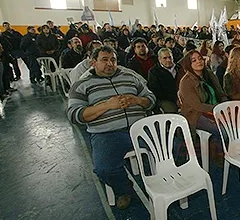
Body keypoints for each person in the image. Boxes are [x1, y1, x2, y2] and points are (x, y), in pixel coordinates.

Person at [67, 45, 156, 209]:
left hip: (140, 129)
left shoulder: (130, 77)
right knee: (104, 169)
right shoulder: (82, 85)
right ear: (93, 63)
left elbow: (151, 98)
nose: (110, 64)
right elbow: (74, 115)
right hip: (107, 134)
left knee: (173, 147)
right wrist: (107, 105)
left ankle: (165, 183)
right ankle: (123, 189)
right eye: (104, 60)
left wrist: (137, 100)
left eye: (113, 60)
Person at [178, 50, 227, 164]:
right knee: (223, 131)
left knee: (234, 124)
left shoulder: (209, 74)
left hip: (214, 108)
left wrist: (224, 105)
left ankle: (215, 151)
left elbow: (221, 93)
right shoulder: (186, 82)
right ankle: (217, 157)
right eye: (193, 60)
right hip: (196, 115)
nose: (198, 62)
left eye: (200, 58)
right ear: (188, 65)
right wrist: (218, 109)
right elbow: (197, 106)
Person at [147, 48, 179, 113]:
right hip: (164, 99)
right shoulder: (154, 72)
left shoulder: (179, 68)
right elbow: (156, 91)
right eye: (165, 58)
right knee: (171, 111)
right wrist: (175, 99)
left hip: (182, 96)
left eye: (170, 57)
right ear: (159, 59)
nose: (168, 60)